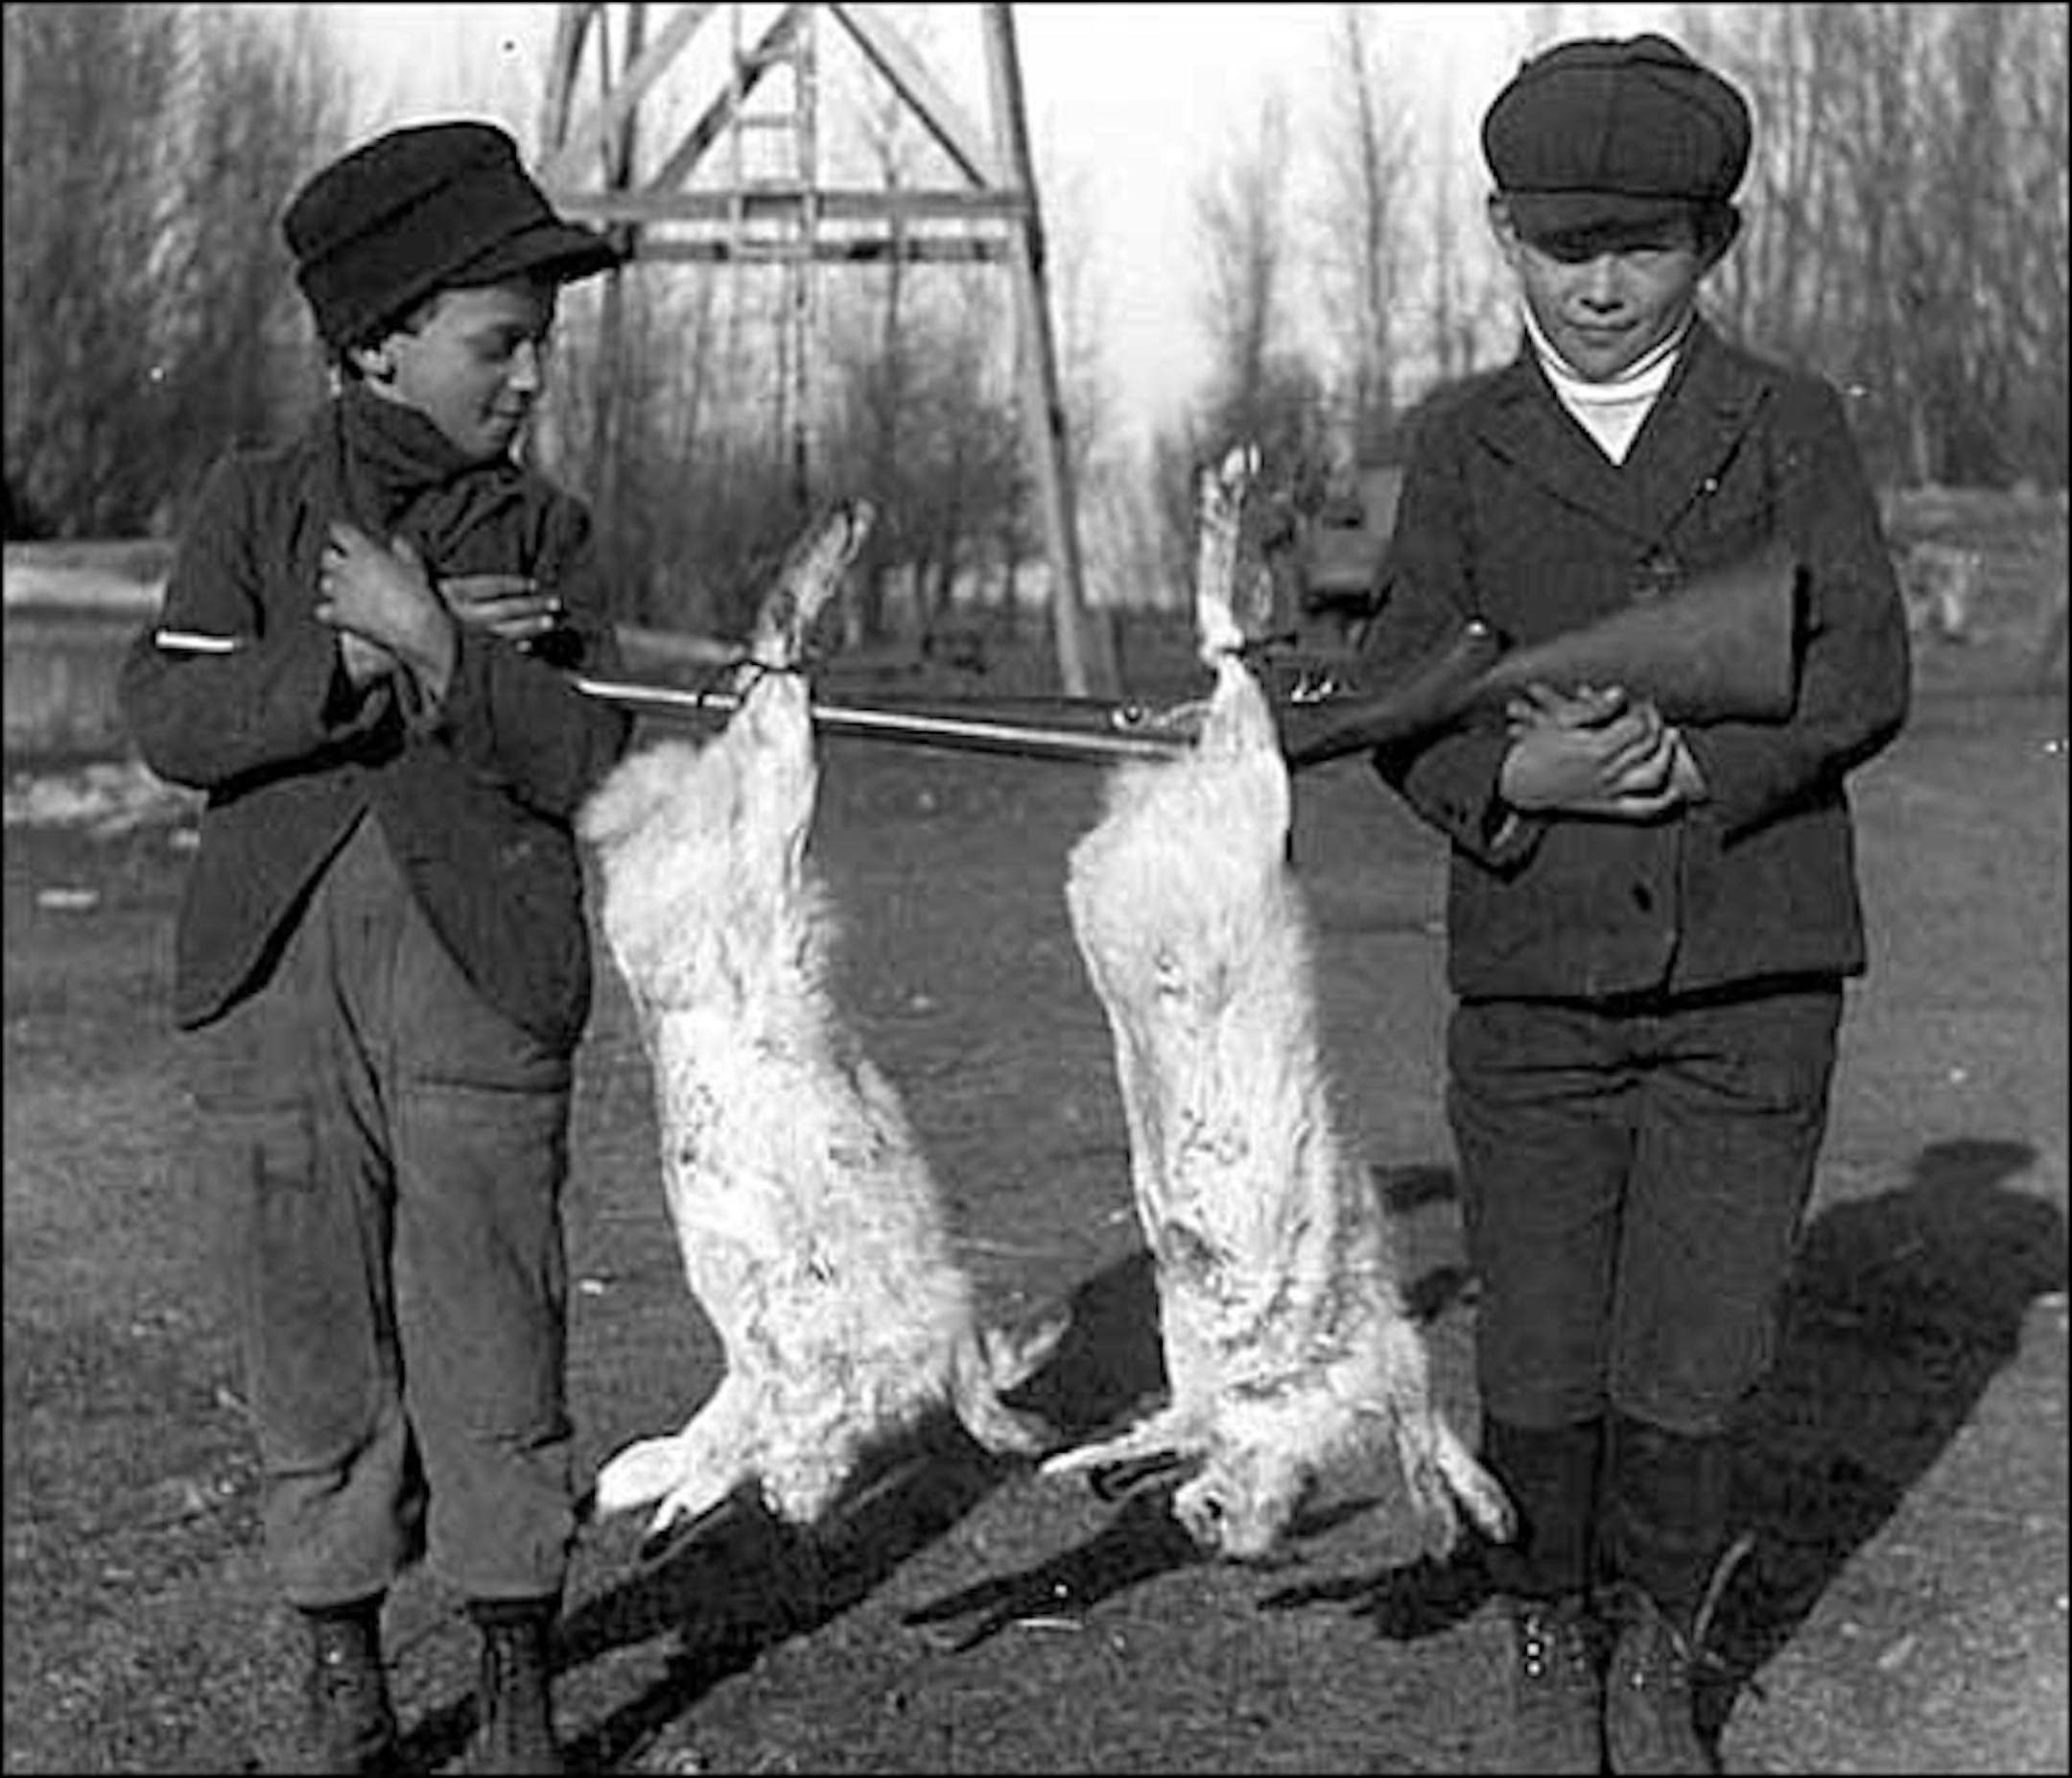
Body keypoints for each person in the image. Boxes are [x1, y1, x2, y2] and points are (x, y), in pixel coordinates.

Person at [1354, 35, 1912, 1776]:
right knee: (1535, 1330)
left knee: (1701, 1344)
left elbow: (1862, 667)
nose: (1599, 284)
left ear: (1716, 242)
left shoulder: (1789, 423)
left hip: (1753, 966)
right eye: (1558, 242)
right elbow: (1397, 689)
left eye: (1645, 245)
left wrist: (1704, 773)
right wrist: (1507, 785)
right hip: (1535, 981)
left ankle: (1660, 1651)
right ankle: (1547, 1635)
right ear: (1503, 236)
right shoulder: (1457, 444)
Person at [119, 120, 635, 1775]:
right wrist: (349, 659)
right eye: (500, 343)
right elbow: (169, 712)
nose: (530, 379)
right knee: (311, 1317)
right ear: (375, 342)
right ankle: (340, 1660)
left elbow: (600, 764)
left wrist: (446, 653)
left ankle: (516, 1676)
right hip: (274, 989)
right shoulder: (252, 508)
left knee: (493, 1310)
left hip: (479, 973)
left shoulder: (544, 536)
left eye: (542, 346)